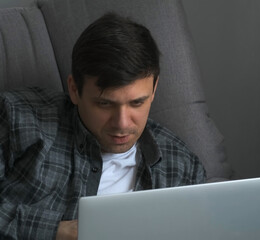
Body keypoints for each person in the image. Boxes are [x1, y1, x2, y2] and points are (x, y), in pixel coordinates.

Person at [0, 13, 206, 240]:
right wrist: (59, 232)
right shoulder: (16, 118)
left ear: (154, 88)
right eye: (104, 104)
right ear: (74, 89)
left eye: (137, 103)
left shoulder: (182, 166)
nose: (122, 123)